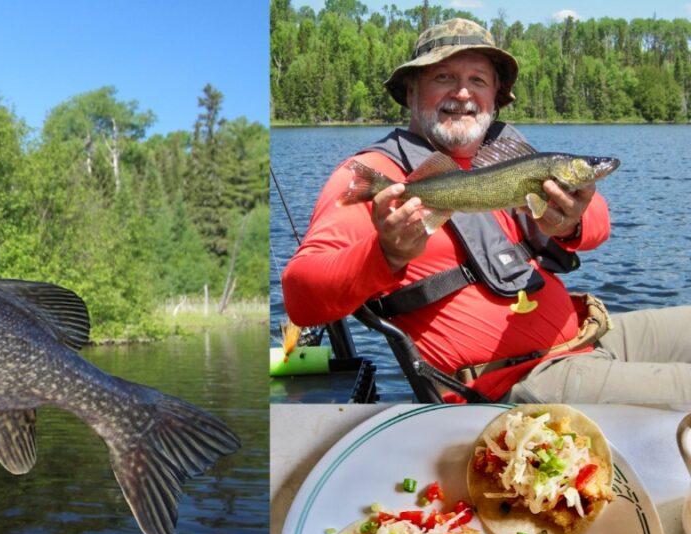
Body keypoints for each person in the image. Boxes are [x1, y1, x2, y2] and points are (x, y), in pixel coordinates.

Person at [281, 19, 691, 405]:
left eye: (477, 80)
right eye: (444, 77)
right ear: (411, 92)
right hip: (525, 383)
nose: (462, 93)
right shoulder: (383, 175)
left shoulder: (504, 151)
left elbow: (599, 223)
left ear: (495, 97)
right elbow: (301, 297)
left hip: (588, 336)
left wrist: (571, 222)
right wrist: (383, 254)